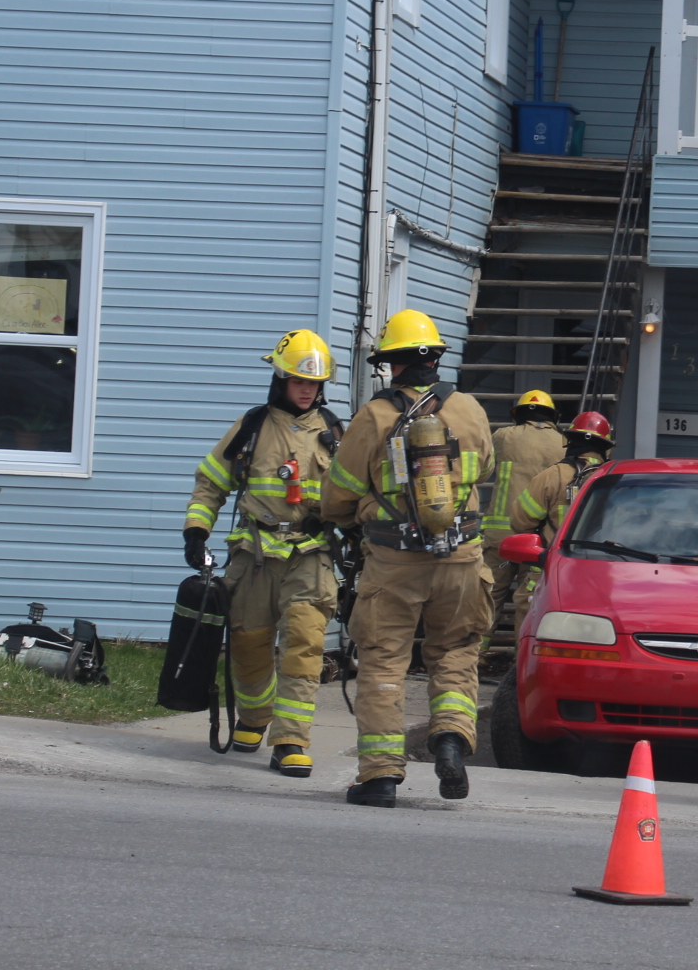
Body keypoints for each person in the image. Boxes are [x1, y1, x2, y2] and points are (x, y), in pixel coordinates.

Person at [322, 308, 495, 808]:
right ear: (434, 359)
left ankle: (379, 777)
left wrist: (353, 517)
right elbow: (484, 468)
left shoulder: (374, 416)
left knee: (383, 661)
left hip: (394, 562)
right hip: (461, 557)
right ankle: (450, 736)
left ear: (391, 363)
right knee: (456, 651)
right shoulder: (469, 409)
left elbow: (339, 494)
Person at [183, 329, 342, 779]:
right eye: (298, 380)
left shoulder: (334, 433)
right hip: (254, 553)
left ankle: (291, 740)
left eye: (314, 382)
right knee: (248, 643)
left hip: (310, 554)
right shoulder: (252, 427)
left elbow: (353, 494)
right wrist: (196, 532)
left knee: (303, 647)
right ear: (281, 379)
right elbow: (211, 483)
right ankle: (254, 717)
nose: (307, 390)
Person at [505, 410, 614, 627]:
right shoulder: (614, 481)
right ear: (605, 447)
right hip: (601, 576)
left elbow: (520, 521)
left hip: (550, 572)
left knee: (532, 623)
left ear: (570, 441)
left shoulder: (552, 476)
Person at [482, 390, 565, 648]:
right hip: (538, 539)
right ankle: (522, 659)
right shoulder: (563, 444)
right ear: (552, 416)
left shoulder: (503, 436)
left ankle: (475, 654)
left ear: (518, 414)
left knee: (489, 594)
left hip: (500, 536)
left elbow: (484, 467)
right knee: (529, 600)